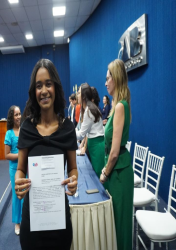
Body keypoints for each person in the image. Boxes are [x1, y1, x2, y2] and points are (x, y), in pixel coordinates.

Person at [15, 59, 78, 250]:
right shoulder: (26, 128)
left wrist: (73, 180)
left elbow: (73, 168)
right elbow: (19, 169)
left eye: (48, 84)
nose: (43, 91)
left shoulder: (67, 128)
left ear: (55, 87)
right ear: (34, 92)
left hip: (59, 219)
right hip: (32, 220)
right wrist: (18, 183)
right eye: (39, 85)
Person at [100, 59, 133, 250]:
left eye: (108, 78)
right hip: (116, 173)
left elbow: (114, 153)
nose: (105, 83)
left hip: (119, 173)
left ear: (117, 78)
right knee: (116, 224)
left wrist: (104, 174)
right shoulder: (117, 106)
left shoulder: (120, 106)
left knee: (121, 227)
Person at [76, 84, 105, 180]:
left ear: (83, 96)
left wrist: (68, 132)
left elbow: (81, 135)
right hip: (95, 145)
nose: (77, 94)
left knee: (98, 177)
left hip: (97, 147)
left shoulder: (89, 110)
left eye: (79, 92)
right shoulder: (89, 108)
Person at [4, 105, 22, 235]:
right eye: (16, 115)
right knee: (17, 195)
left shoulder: (24, 129)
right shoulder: (9, 133)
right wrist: (21, 155)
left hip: (26, 167)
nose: (19, 117)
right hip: (14, 168)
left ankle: (26, 219)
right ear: (12, 117)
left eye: (19, 114)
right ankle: (17, 223)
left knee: (27, 194)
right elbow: (7, 155)